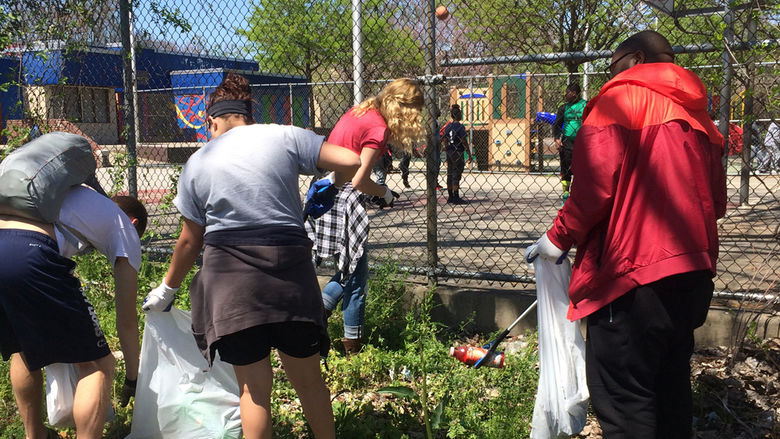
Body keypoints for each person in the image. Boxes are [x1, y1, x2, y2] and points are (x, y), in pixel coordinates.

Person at [526, 30, 726, 439]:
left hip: (631, 281)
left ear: (634, 59)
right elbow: (717, 203)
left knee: (624, 401)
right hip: (691, 276)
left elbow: (594, 189)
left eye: (613, 67)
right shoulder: (700, 117)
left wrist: (557, 239)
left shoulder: (618, 100)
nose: (609, 77)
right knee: (671, 392)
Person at [141, 72, 360, 439]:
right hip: (290, 278)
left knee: (254, 392)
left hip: (231, 285)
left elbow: (190, 241)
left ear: (211, 121)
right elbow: (351, 159)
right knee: (309, 383)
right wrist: (330, 181)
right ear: (248, 115)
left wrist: (166, 290)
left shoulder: (198, 162)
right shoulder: (284, 135)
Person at [0, 184, 147, 439]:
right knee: (98, 364)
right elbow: (126, 320)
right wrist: (133, 377)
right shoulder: (125, 229)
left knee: (23, 349)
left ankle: (35, 435)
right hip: (32, 252)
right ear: (134, 222)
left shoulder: (82, 201)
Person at [308, 78, 425, 354]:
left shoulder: (362, 110)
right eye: (415, 112)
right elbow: (360, 180)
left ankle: (318, 320)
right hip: (344, 200)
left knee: (348, 271)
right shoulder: (378, 127)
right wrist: (384, 194)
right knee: (356, 281)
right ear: (404, 109)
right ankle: (353, 352)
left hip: (325, 192)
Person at [552, 82, 587, 201]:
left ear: (574, 93)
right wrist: (557, 138)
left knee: (581, 169)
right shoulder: (564, 108)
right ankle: (566, 195)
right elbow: (556, 125)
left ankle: (579, 195)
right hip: (567, 142)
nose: (565, 95)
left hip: (582, 142)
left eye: (567, 93)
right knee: (566, 169)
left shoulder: (586, 105)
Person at [441, 104, 470, 204]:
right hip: (458, 151)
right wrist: (469, 153)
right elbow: (464, 141)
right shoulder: (460, 126)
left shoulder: (448, 126)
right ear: (458, 115)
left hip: (450, 151)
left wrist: (446, 148)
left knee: (450, 173)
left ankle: (450, 197)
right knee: (456, 174)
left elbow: (445, 139)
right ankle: (456, 196)